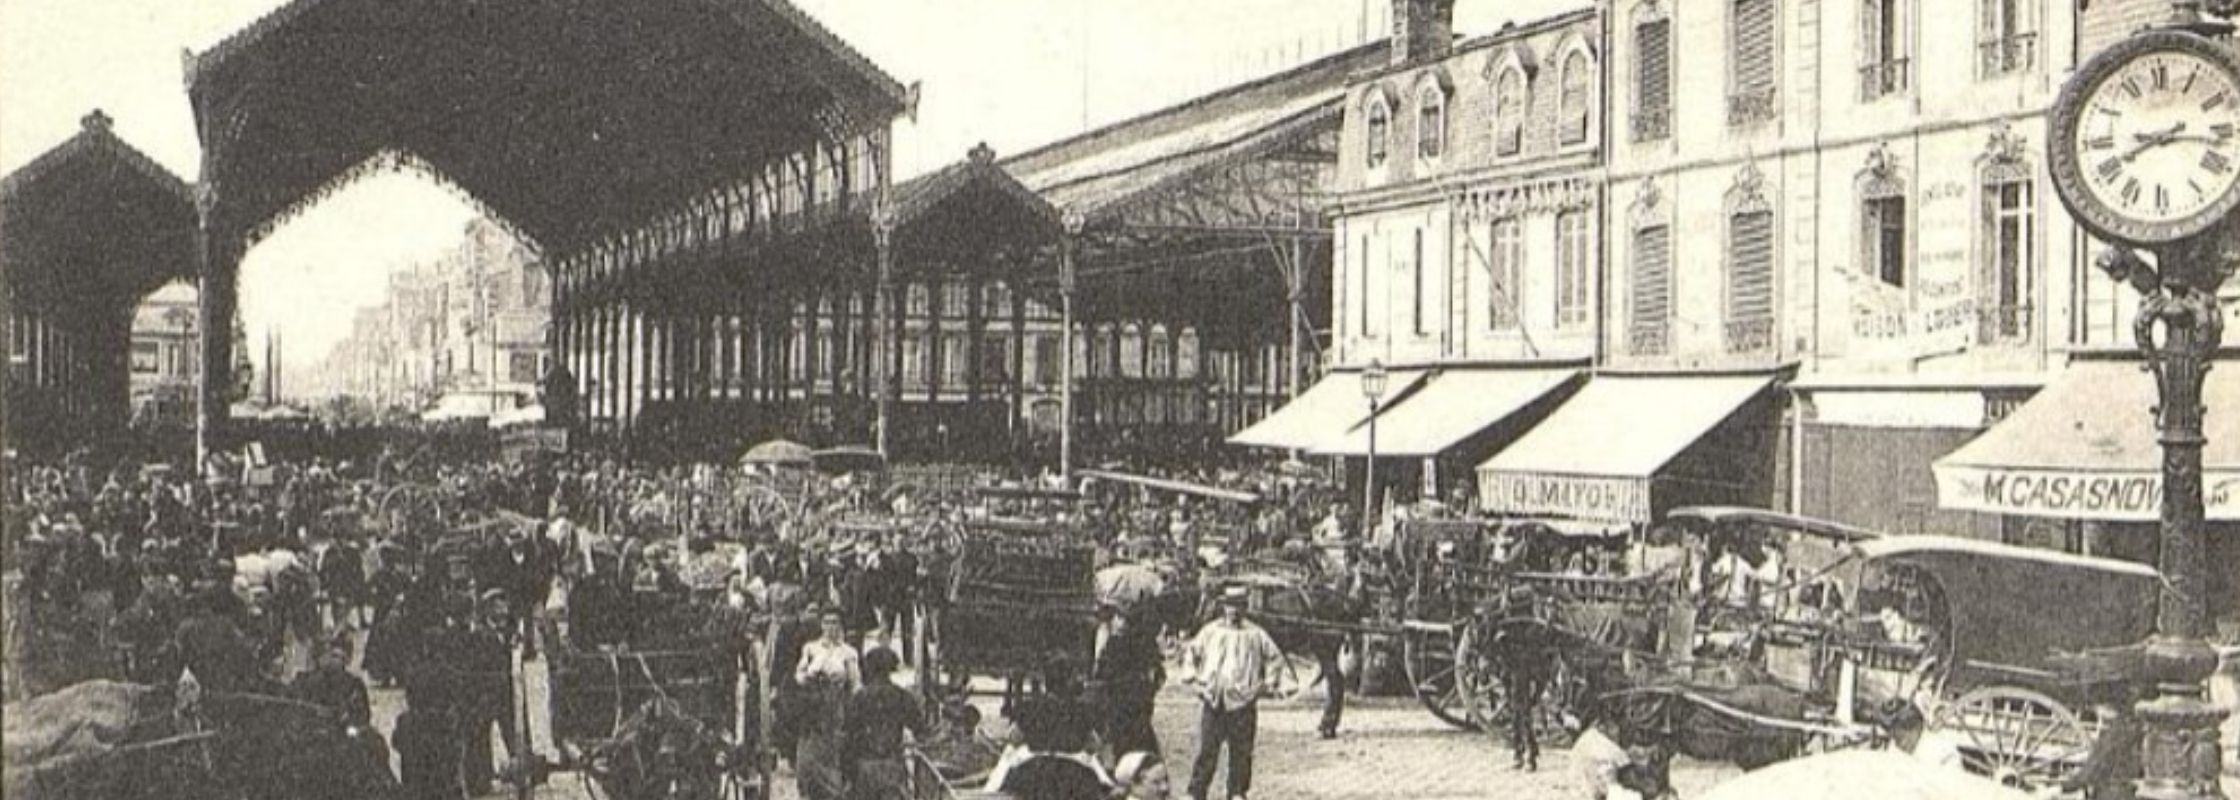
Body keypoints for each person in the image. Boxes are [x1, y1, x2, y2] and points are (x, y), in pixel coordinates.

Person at [1182, 585, 1283, 800]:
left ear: (1245, 608)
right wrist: (1195, 680)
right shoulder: (1211, 631)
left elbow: (1275, 658)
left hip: (1243, 703)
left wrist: (1266, 684)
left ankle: (1237, 791)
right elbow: (1191, 653)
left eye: (1238, 607)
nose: (1233, 612)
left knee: (1241, 751)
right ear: (1223, 607)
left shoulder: (1255, 634)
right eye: (1230, 606)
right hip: (1214, 699)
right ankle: (1196, 792)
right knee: (1208, 749)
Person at [842, 647, 926, 800]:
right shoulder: (902, 696)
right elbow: (919, 727)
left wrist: (847, 774)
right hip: (893, 766)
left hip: (865, 767)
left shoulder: (859, 698)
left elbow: (848, 736)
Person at [794, 608, 860, 800]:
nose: (831, 627)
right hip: (814, 709)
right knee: (810, 754)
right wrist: (809, 675)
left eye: (835, 623)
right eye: (827, 622)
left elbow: (855, 684)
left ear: (841, 626)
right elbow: (799, 675)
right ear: (821, 625)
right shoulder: (811, 648)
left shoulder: (848, 652)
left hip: (837, 708)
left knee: (835, 755)